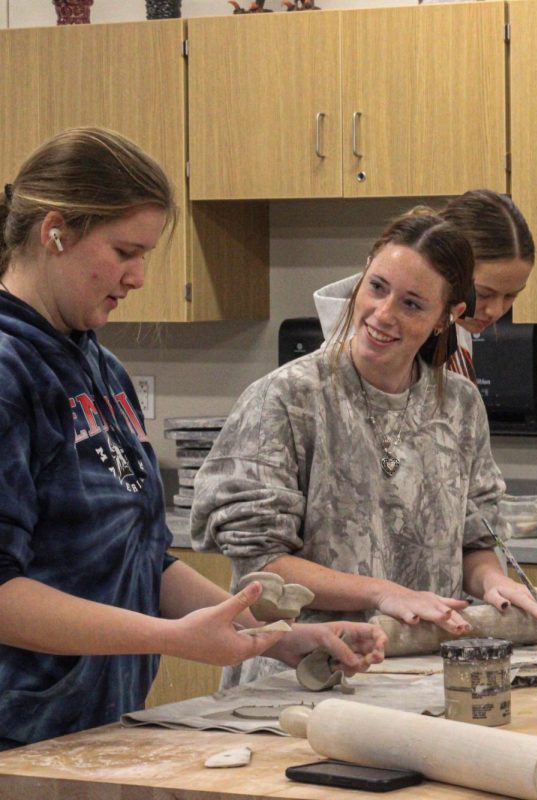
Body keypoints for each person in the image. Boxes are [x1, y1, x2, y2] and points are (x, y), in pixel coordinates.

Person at [0, 127, 386, 750]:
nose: (139, 277)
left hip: (91, 730)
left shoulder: (101, 368)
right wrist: (170, 639)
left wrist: (277, 638)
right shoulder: (8, 370)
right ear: (55, 232)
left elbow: (142, 560)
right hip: (17, 730)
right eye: (125, 252)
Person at [191, 210, 537, 687]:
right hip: (302, 680)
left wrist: (494, 582)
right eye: (376, 287)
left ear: (445, 318)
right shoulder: (286, 400)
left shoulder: (459, 405)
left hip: (425, 676)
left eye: (412, 304)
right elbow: (260, 565)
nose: (383, 314)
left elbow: (473, 540)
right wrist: (384, 593)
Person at [313, 189, 535, 380]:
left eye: (510, 296)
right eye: (484, 294)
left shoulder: (454, 320)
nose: (496, 311)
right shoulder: (371, 347)